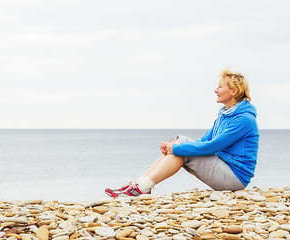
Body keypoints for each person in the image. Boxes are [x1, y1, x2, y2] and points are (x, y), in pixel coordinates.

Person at [105, 69, 259, 198]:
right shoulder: (225, 115)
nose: (215, 90)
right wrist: (176, 146)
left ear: (234, 91)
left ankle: (141, 188)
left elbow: (212, 146)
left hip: (235, 179)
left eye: (219, 86)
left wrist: (176, 149)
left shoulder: (243, 120)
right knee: (181, 141)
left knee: (181, 150)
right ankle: (139, 184)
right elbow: (204, 140)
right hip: (224, 168)